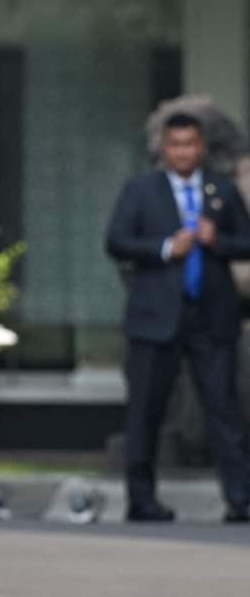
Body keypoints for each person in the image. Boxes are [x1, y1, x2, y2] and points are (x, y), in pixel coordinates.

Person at [105, 113, 250, 523]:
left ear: (201, 147)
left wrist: (216, 239)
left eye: (190, 144)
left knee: (224, 410)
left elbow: (246, 241)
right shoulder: (141, 189)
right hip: (155, 318)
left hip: (211, 317)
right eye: (176, 144)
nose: (183, 151)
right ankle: (143, 501)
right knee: (145, 412)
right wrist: (167, 247)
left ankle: (240, 501)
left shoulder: (220, 189)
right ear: (164, 148)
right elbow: (116, 241)